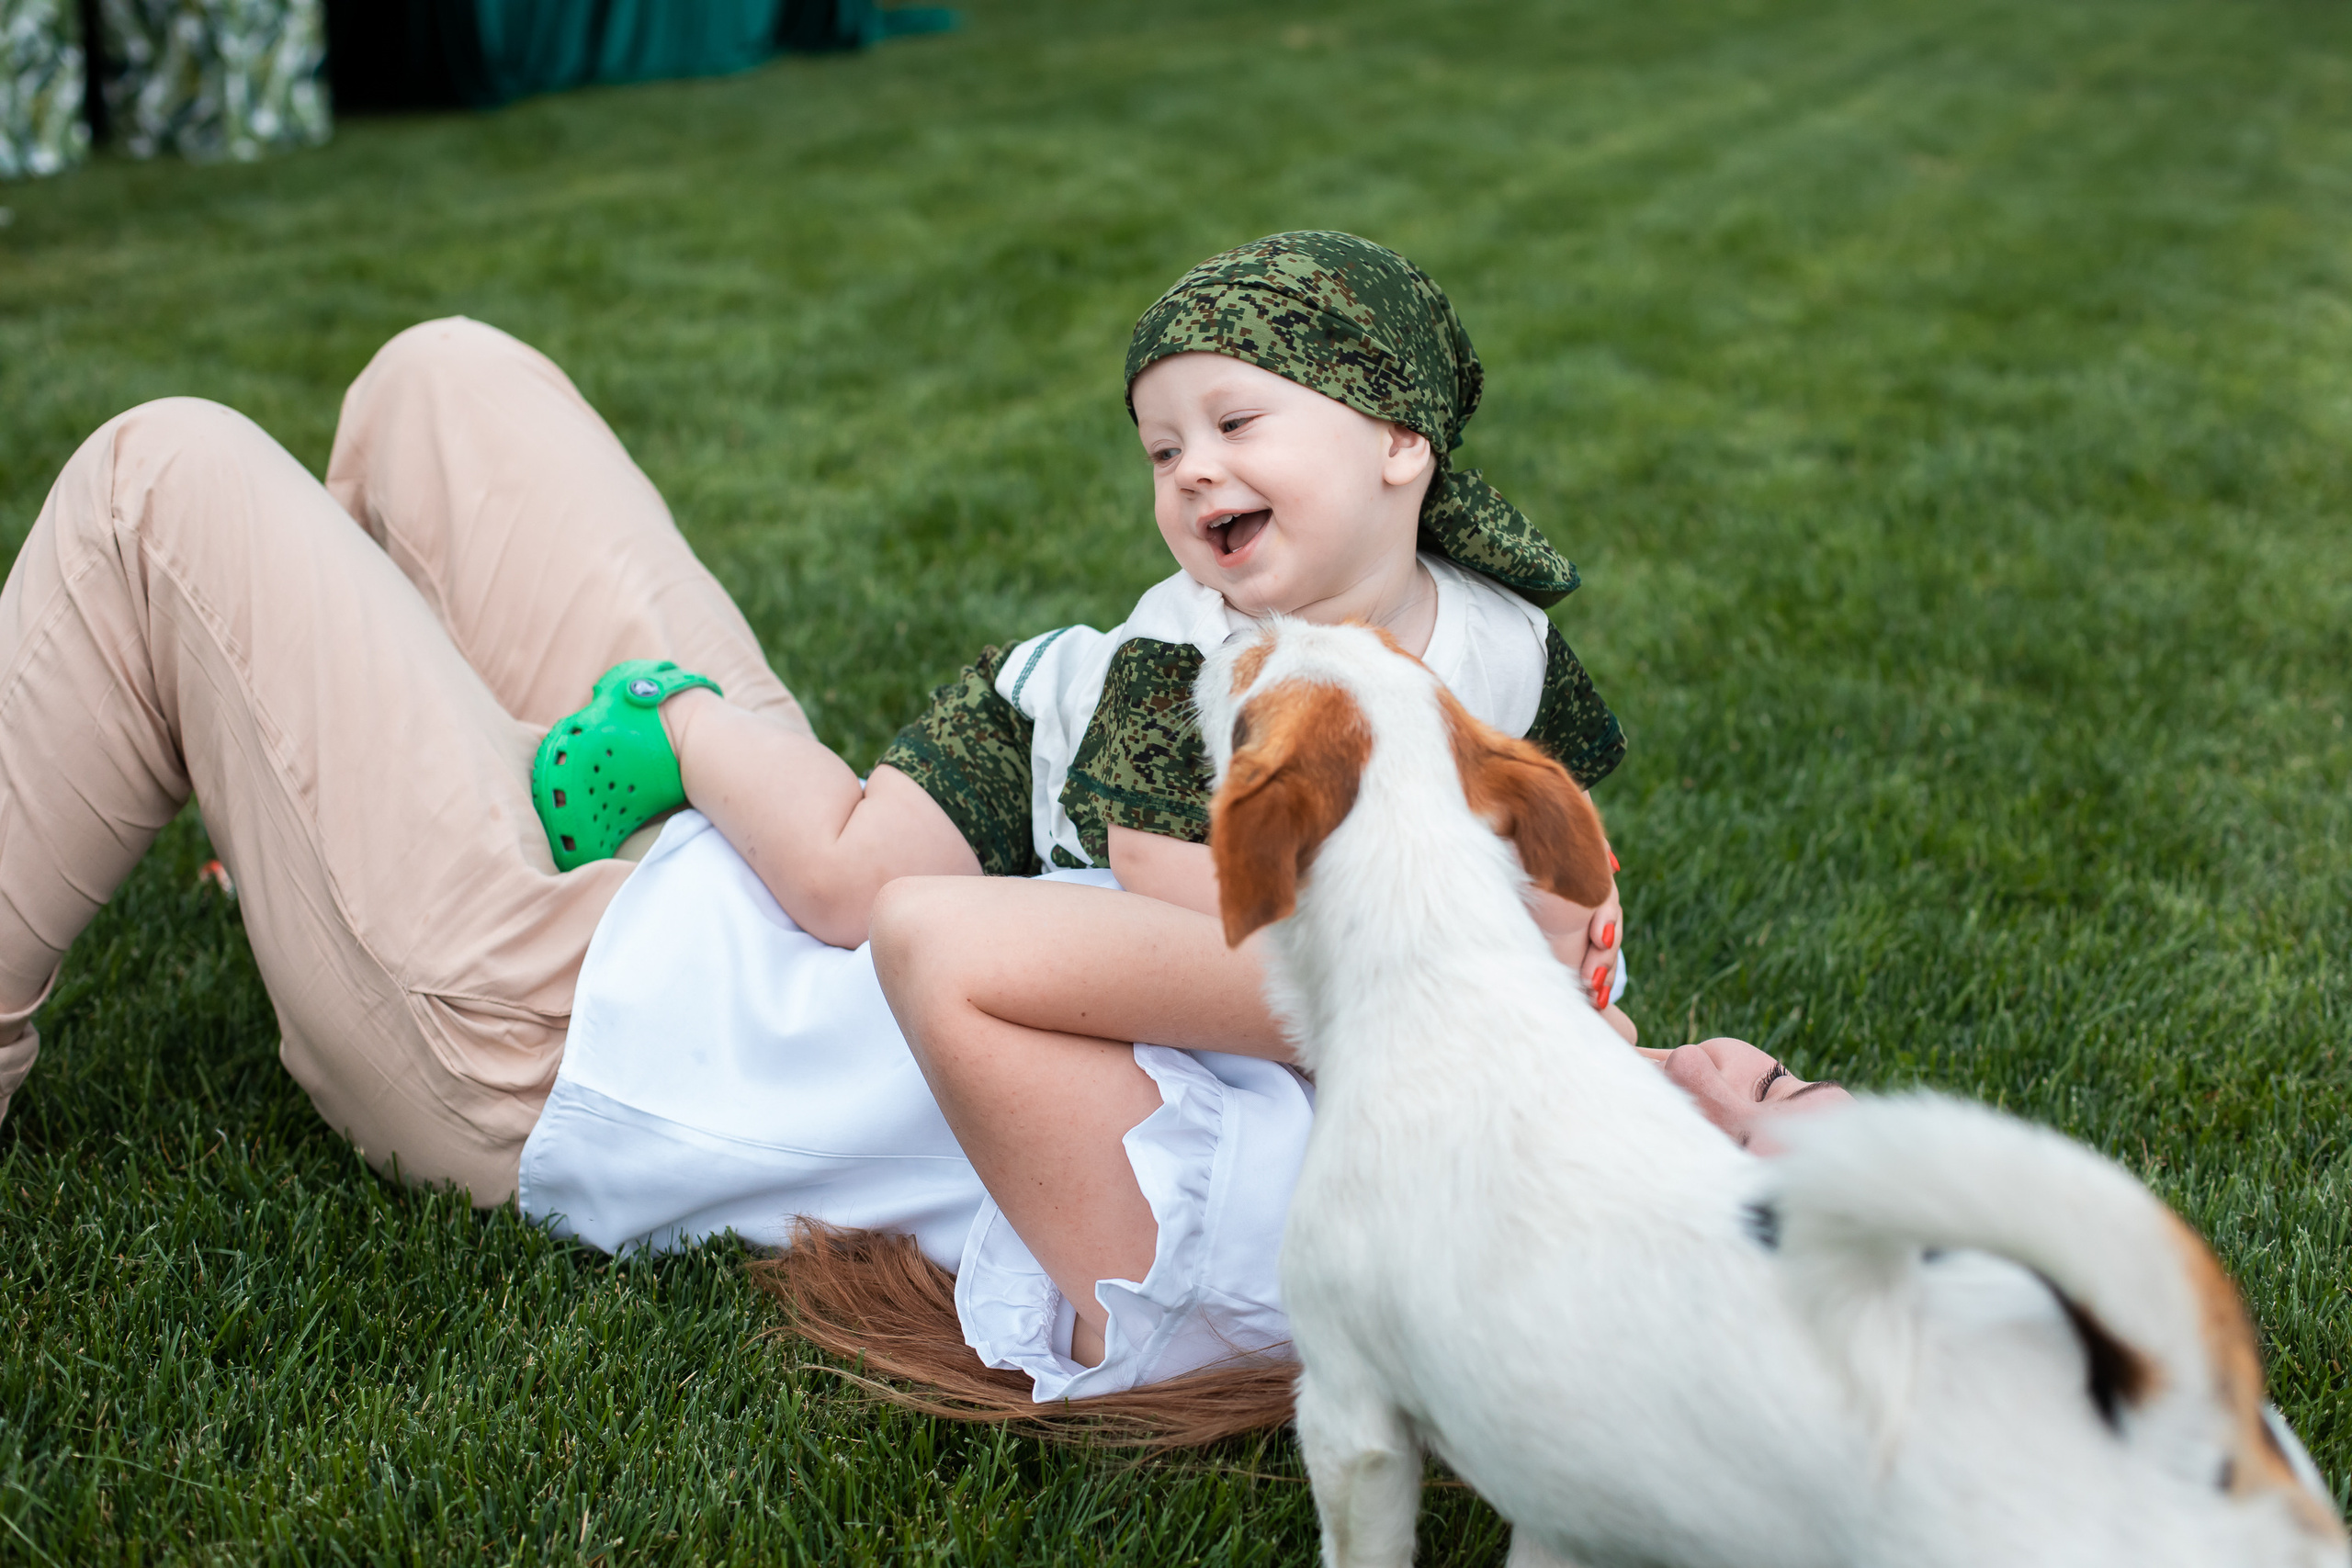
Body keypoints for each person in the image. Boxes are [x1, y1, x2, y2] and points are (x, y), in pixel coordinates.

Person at [0, 232, 1844, 1440]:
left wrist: (1415, 971)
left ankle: (307, 837)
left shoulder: (1295, 1243)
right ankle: (280, 795)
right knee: (445, 379)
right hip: (719, 876)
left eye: (1758, 1105)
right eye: (1795, 1073)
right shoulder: (1502, 1084)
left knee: (158, 476)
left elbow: (939, 942)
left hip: (546, 1023)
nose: (1748, 1051)